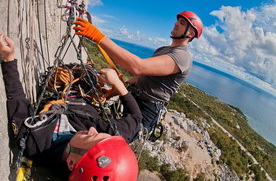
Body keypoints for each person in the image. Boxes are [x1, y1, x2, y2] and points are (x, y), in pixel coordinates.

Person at [0, 33, 141, 181]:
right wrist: (118, 84)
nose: (94, 130)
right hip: (85, 92)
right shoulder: (108, 140)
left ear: (71, 163)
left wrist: (9, 59)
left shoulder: (36, 143)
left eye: (90, 137)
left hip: (62, 90)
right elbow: (136, 118)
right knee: (86, 73)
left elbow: (17, 99)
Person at [74, 11, 203, 135]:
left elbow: (137, 67)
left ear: (190, 33)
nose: (176, 24)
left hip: (146, 109)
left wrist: (97, 37)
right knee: (91, 121)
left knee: (102, 133)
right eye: (178, 21)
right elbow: (142, 76)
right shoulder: (164, 50)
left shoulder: (182, 57)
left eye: (182, 23)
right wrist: (113, 91)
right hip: (132, 98)